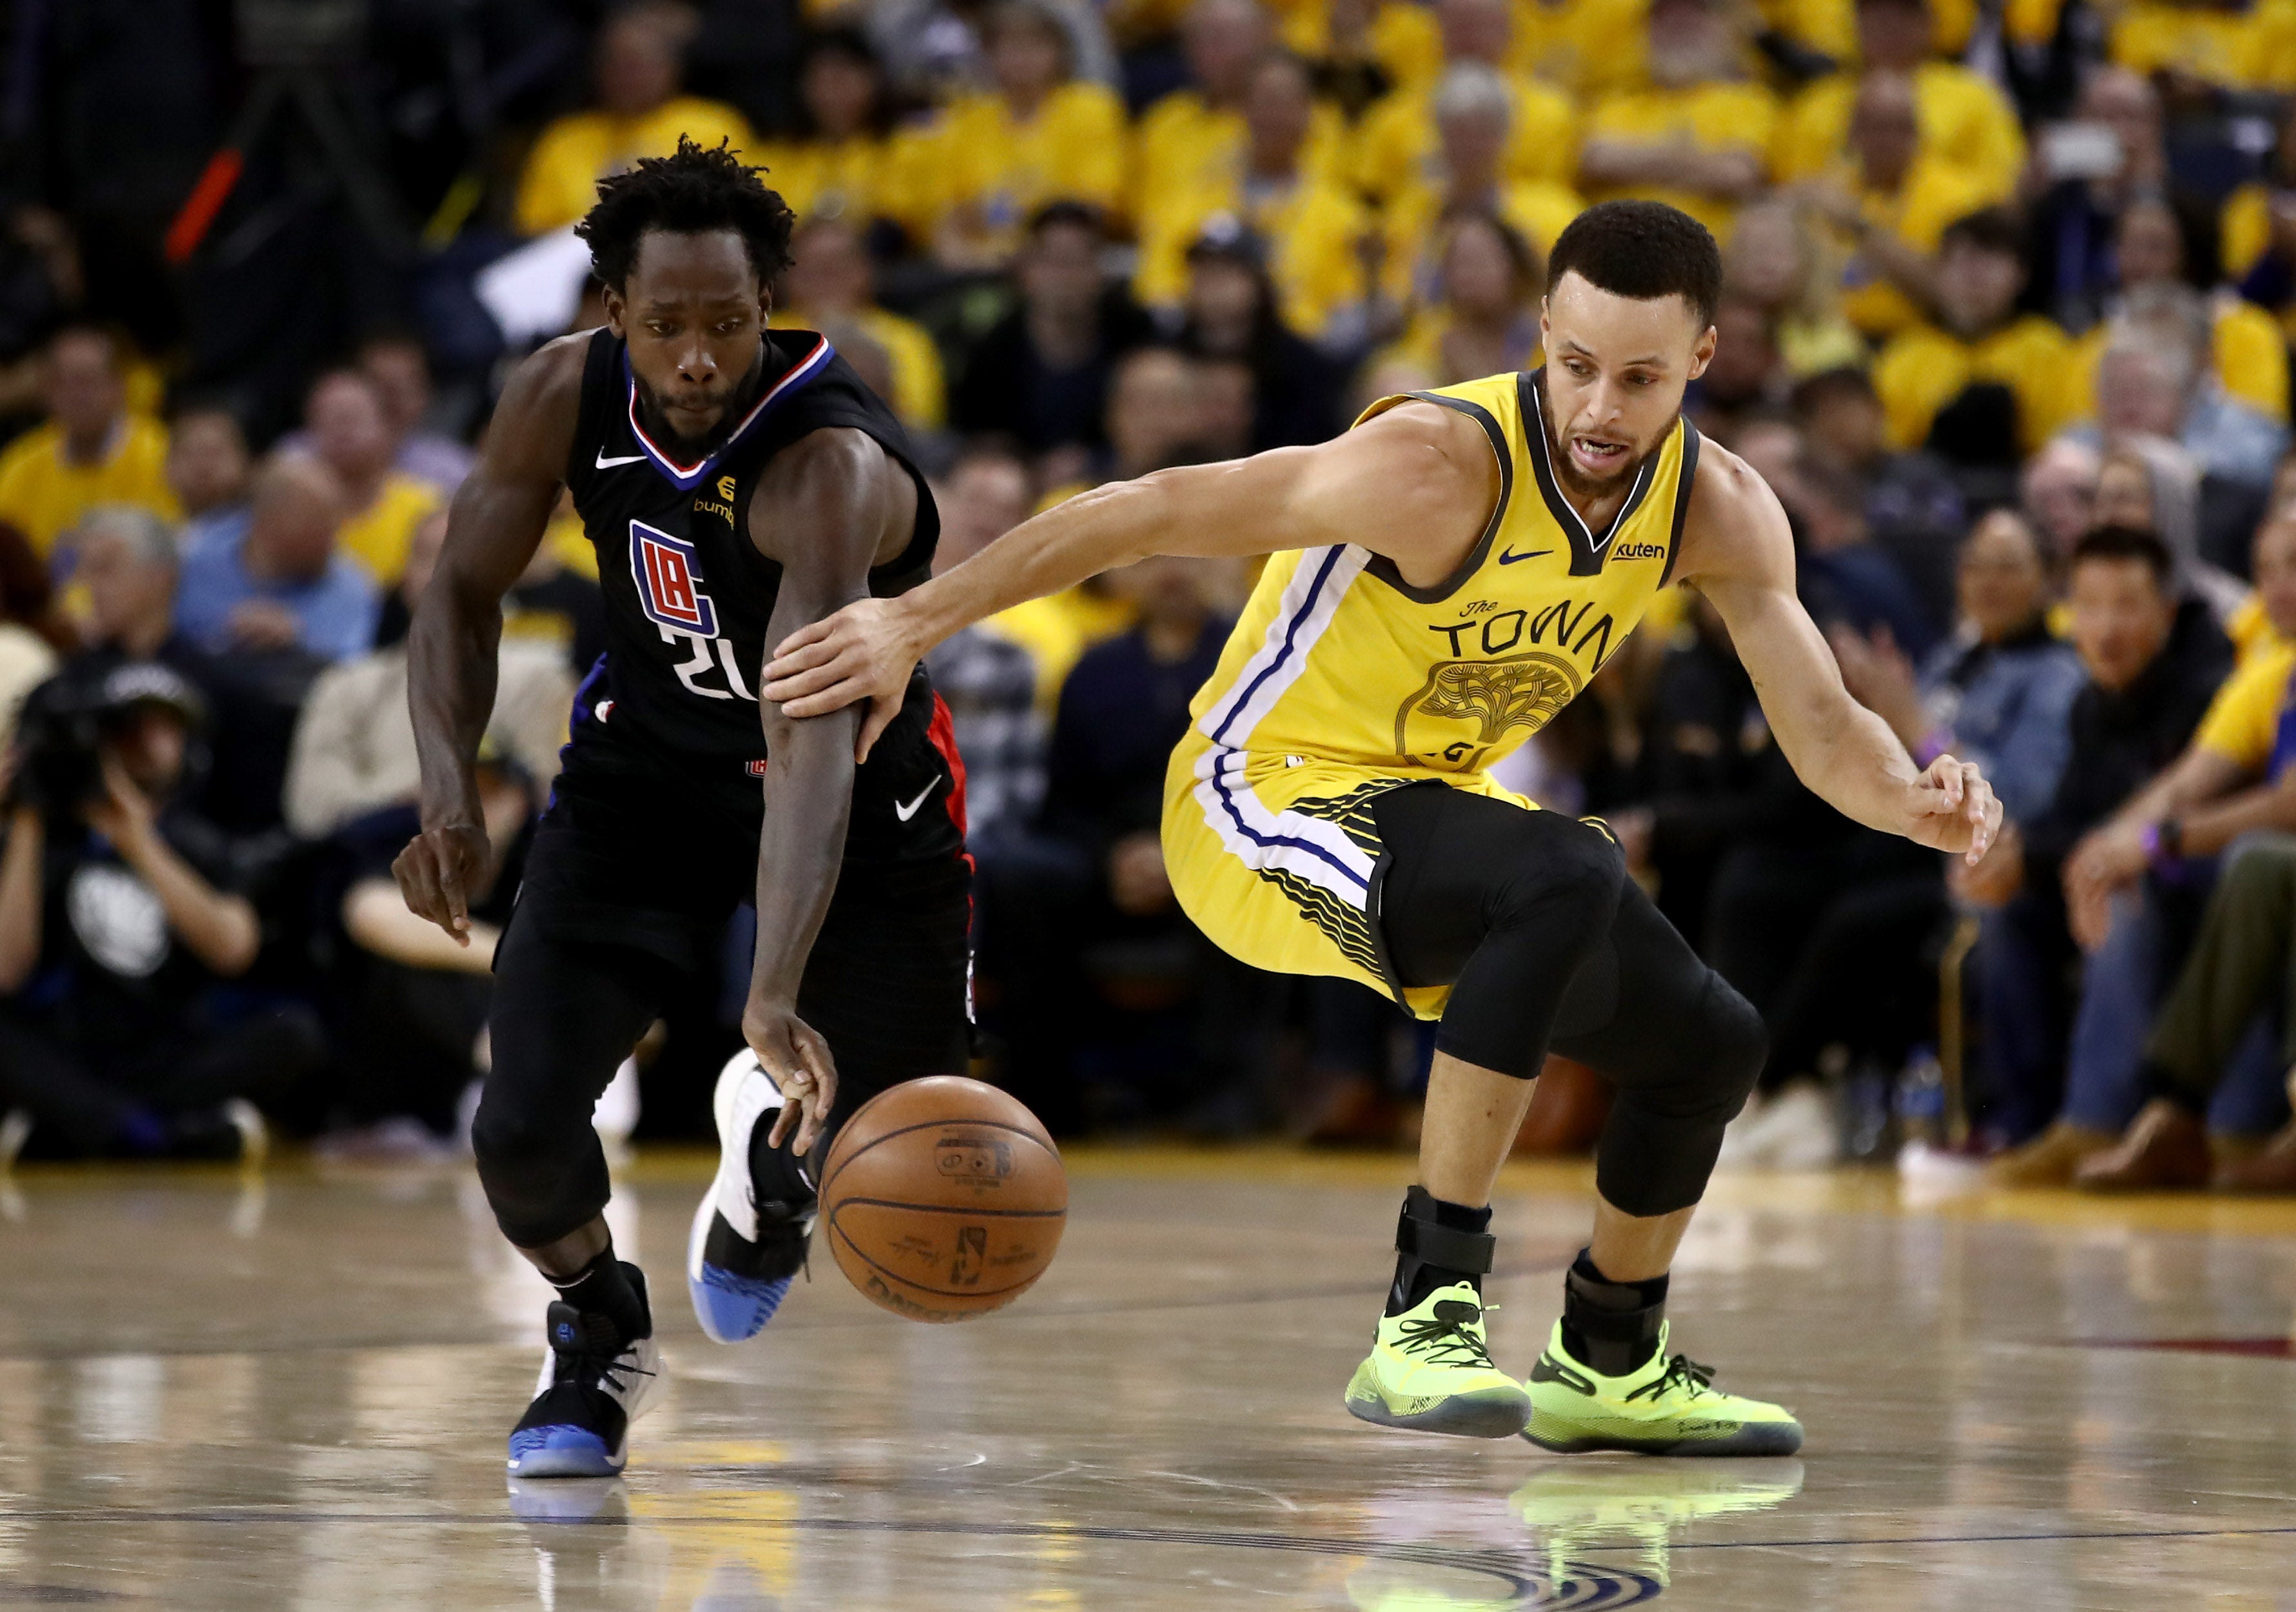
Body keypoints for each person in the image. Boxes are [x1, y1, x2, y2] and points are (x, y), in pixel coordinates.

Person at [766, 199, 2000, 1455]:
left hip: (1429, 815)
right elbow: (1147, 509)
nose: (1598, 409)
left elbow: (1826, 728)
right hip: (1251, 801)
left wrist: (1915, 796)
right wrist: (910, 620)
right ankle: (1428, 1312)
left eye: (1638, 378)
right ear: (1540, 337)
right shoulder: (1432, 462)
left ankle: (1608, 1358)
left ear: (1702, 360)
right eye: (1575, 366)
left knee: (1707, 1042)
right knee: (1566, 864)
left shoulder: (1719, 508)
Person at [391, 139, 972, 1478]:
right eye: (669, 327)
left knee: (888, 1133)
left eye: (728, 322)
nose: (701, 356)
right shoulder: (559, 395)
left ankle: (764, 1170)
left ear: (770, 306)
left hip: (854, 792)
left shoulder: (827, 468)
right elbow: (458, 594)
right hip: (643, 778)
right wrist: (450, 794)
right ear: (616, 318)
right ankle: (597, 1326)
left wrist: (768, 996)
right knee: (523, 1130)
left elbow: (811, 742)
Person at [1973, 527, 2231, 1173]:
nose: (2106, 626)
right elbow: (2073, 817)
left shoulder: (2204, 687)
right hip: (2117, 871)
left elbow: (2138, 817)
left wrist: (2061, 857)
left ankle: (2098, 1119)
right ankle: (2024, 1117)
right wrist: (2015, 856)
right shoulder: (2091, 702)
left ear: (2166, 613)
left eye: (2126, 604)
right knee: (2002, 909)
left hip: (2191, 879)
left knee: (2118, 890)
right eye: (2088, 606)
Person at [0, 660, 324, 1163]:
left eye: (165, 728)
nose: (148, 743)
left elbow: (233, 950)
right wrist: (25, 819)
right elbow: (6, 971)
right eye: (130, 727)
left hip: (171, 1050)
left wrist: (136, 842)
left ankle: (99, 1130)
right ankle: (171, 1134)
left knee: (293, 1034)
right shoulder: (44, 840)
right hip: (72, 1048)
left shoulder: (203, 844)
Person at [284, 513, 572, 840]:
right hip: (360, 860)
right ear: (405, 574)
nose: (443, 573)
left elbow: (538, 802)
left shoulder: (538, 681)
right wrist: (401, 807)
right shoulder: (346, 684)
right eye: (428, 556)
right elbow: (308, 806)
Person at [512, 3, 754, 237]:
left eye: (639, 65)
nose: (627, 77)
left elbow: (733, 217)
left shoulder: (714, 126)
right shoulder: (565, 137)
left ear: (673, 68)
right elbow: (533, 230)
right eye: (615, 65)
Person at [174, 456, 380, 664]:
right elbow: (171, 627)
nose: (333, 541)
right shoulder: (194, 554)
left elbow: (350, 667)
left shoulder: (354, 586)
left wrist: (297, 638)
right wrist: (228, 626)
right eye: (320, 527)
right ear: (270, 523)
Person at [0, 327, 176, 558]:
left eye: (89, 381)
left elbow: (172, 546)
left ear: (119, 385)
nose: (77, 394)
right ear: (46, 391)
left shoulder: (162, 452)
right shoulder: (19, 464)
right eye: (63, 382)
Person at [301, 370, 449, 589]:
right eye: (331, 420)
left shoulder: (425, 505)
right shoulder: (297, 510)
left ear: (386, 426)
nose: (343, 432)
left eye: (353, 419)